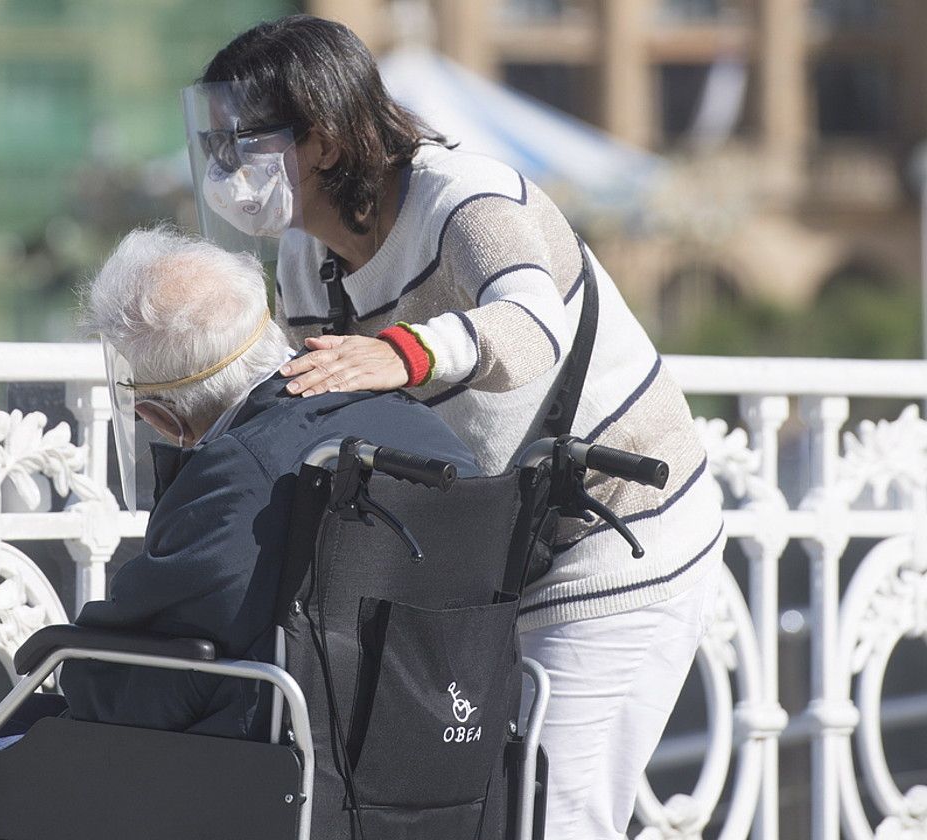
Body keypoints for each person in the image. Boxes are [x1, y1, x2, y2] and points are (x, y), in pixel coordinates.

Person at [187, 15, 725, 840]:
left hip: (623, 534)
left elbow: (531, 326)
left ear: (324, 142)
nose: (228, 171)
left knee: (556, 810)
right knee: (477, 810)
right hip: (490, 554)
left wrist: (400, 354)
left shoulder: (461, 196)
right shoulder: (304, 258)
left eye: (244, 144)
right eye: (215, 147)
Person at [0, 226, 478, 840]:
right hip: (433, 767)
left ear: (155, 414)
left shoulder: (244, 468)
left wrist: (71, 659)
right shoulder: (426, 435)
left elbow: (137, 689)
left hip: (256, 783)